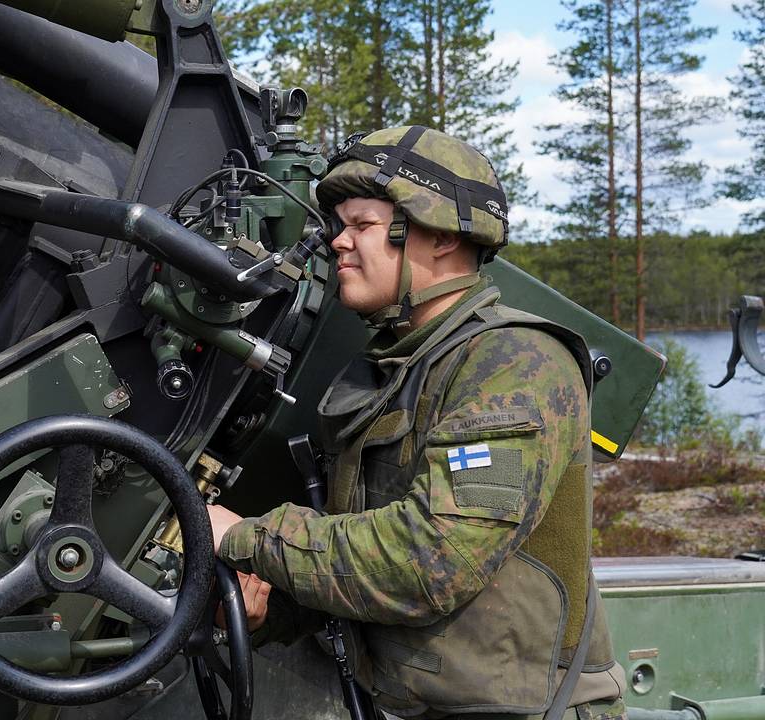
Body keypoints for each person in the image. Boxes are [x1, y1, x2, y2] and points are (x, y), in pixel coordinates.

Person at [207, 126, 628, 719]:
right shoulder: (396, 367)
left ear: (438, 238)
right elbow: (359, 550)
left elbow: (434, 560)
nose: (338, 243)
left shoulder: (515, 364)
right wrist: (268, 610)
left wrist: (245, 535)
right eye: (340, 226)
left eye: (363, 226)